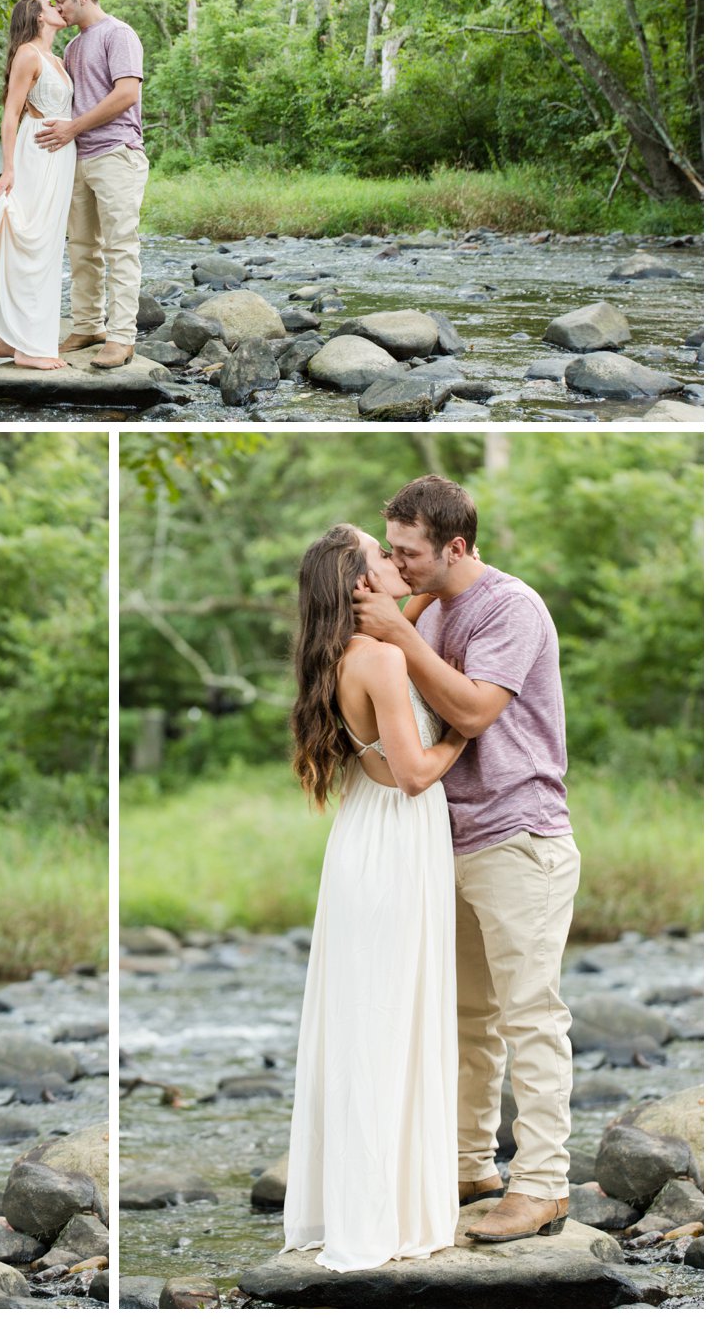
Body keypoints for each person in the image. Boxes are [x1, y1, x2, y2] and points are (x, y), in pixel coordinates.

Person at [353, 475, 580, 1245]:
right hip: (450, 838)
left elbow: (477, 711)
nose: (396, 562)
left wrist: (401, 631)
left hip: (520, 834)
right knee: (468, 1016)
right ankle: (472, 1164)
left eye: (408, 551)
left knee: (531, 1016)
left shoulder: (509, 606)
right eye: (390, 548)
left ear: (456, 546)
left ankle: (544, 1184)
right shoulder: (431, 602)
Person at [284, 525, 466, 1272]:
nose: (398, 565)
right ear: (359, 584)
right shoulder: (384, 660)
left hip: (361, 844)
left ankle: (361, 1204)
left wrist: (422, 588)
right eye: (382, 557)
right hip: (395, 846)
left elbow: (416, 599)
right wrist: (463, 730)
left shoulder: (339, 654)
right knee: (392, 1024)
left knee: (366, 1025)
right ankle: (384, 1219)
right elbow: (416, 773)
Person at [35, 0, 149, 369]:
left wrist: (74, 128)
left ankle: (121, 337)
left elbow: (126, 94)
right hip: (78, 159)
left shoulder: (119, 34)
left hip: (116, 152)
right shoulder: (72, 48)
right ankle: (87, 325)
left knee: (120, 246)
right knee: (82, 248)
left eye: (62, 1)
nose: (58, 9)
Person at [0, 0, 74, 370]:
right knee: (31, 240)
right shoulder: (28, 53)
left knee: (48, 245)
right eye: (49, 4)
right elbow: (10, 114)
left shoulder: (57, 60)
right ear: (36, 17)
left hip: (61, 157)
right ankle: (26, 346)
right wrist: (8, 168)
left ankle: (6, 339)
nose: (58, 8)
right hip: (35, 152)